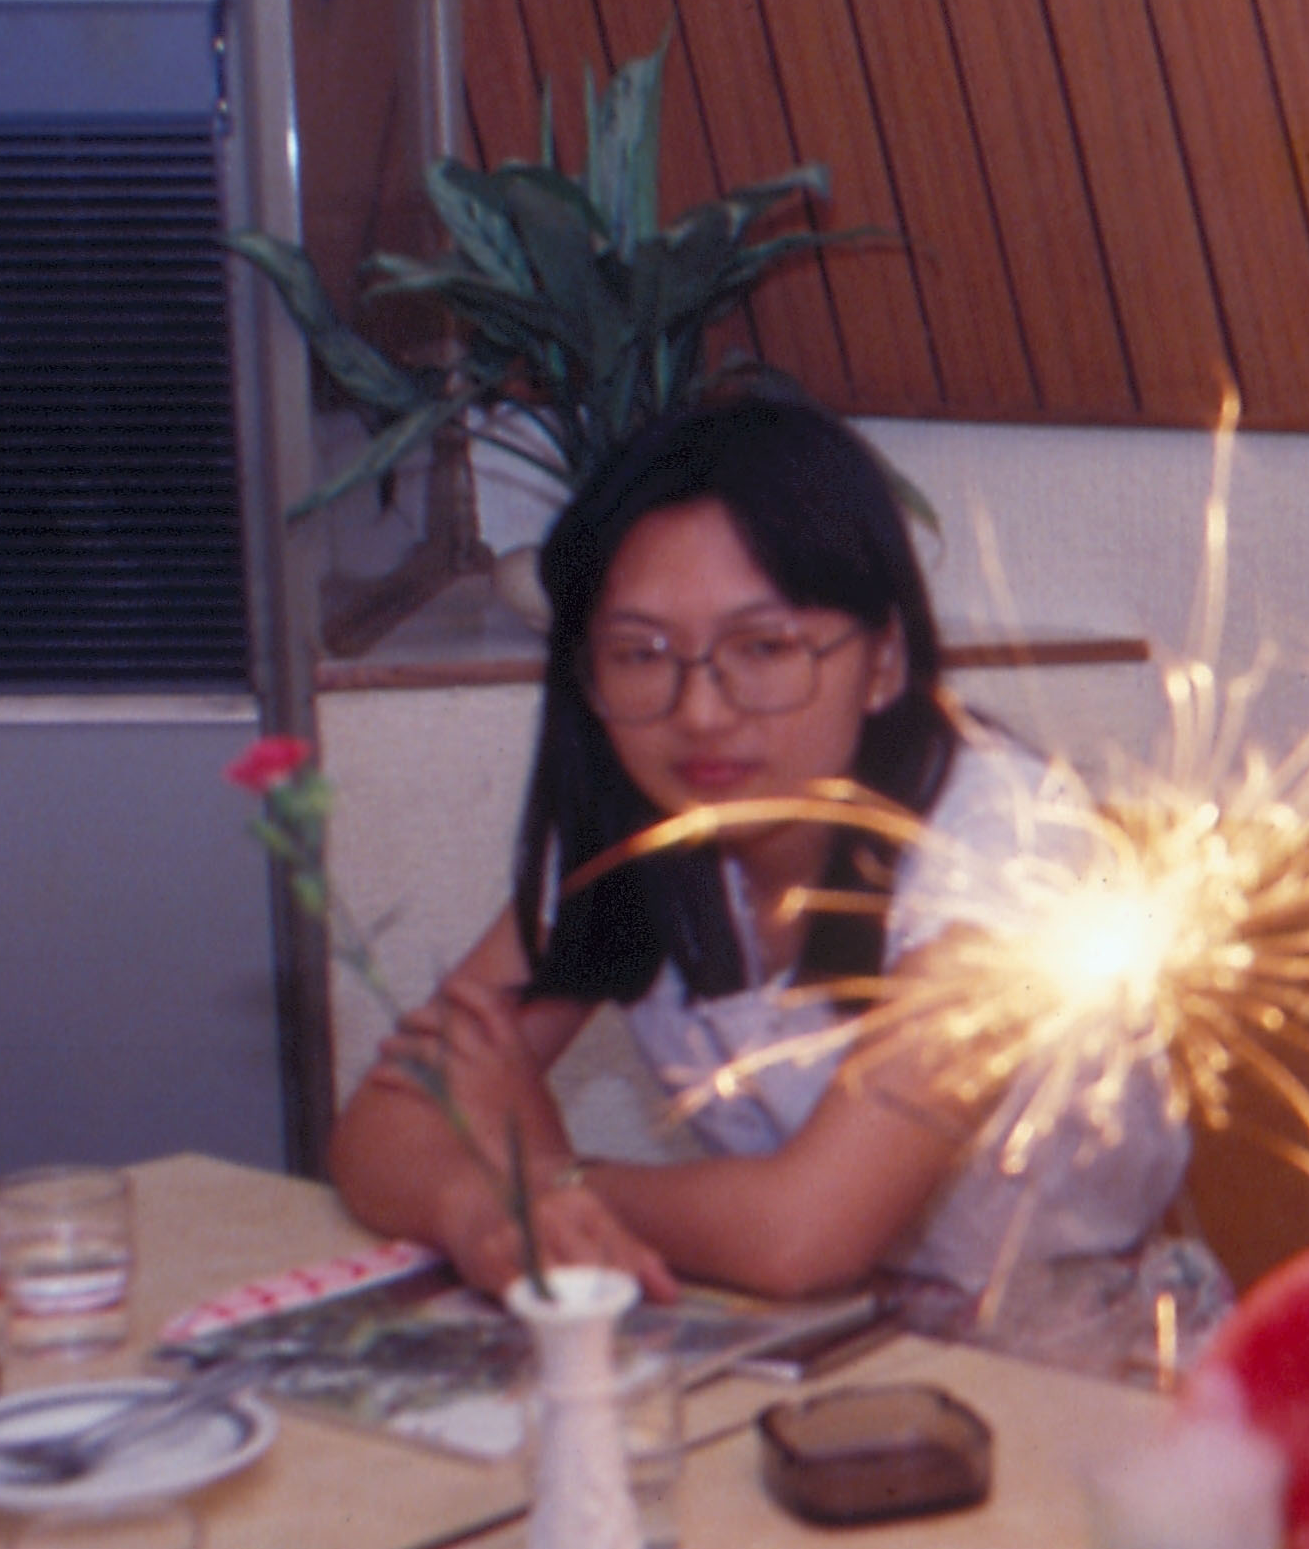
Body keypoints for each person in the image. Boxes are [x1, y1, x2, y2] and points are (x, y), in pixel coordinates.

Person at [329, 396, 1191, 1320]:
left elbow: (803, 1235)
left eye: (765, 646)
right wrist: (473, 1210)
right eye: (640, 653)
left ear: (883, 661)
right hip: (811, 1338)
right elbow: (379, 1127)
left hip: (1081, 1352)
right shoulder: (645, 834)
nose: (700, 711)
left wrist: (545, 1174)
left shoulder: (1009, 847)